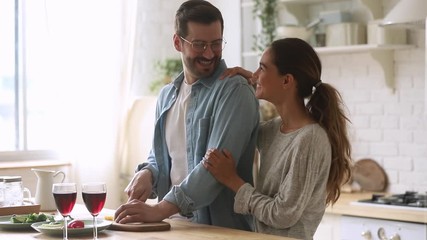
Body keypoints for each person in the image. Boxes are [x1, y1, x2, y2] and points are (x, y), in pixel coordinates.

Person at [114, 0, 259, 231]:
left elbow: (213, 168)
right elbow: (162, 155)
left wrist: (159, 209)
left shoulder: (234, 91)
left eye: (216, 43)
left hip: (220, 230)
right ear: (177, 43)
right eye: (199, 44)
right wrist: (147, 172)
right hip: (172, 227)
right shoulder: (167, 95)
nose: (209, 53)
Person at [202, 38, 352, 239]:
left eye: (261, 68)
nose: (255, 75)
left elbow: (283, 214)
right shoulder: (273, 130)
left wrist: (232, 180)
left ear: (287, 81)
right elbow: (238, 130)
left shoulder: (310, 138)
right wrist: (244, 83)